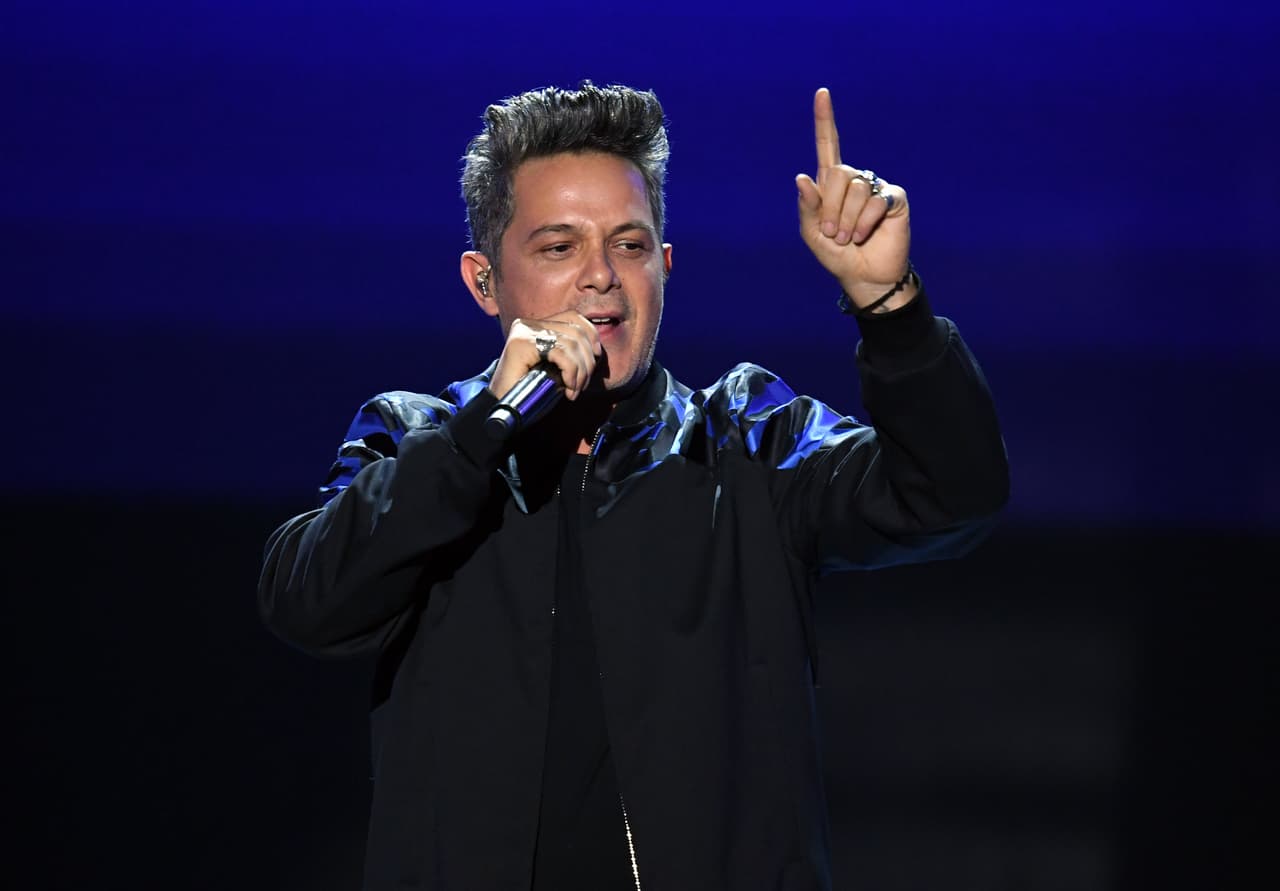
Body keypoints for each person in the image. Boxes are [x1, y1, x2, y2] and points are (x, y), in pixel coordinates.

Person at [258, 81, 1009, 891]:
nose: (601, 279)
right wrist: (485, 429)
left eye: (629, 244)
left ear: (665, 265)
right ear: (484, 282)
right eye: (558, 247)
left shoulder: (748, 440)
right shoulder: (419, 437)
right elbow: (306, 598)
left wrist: (887, 306)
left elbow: (951, 495)